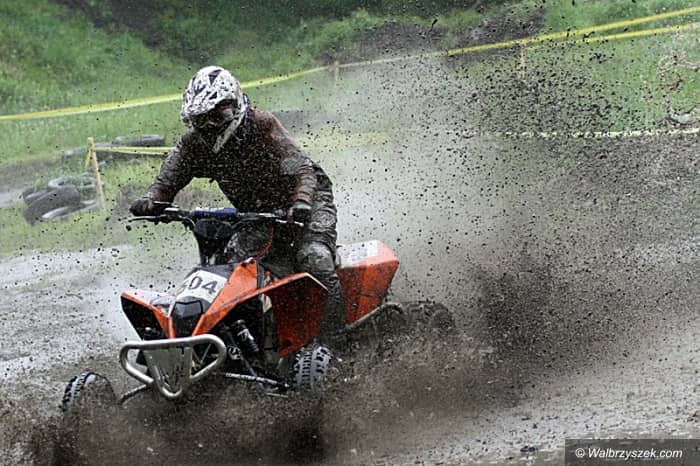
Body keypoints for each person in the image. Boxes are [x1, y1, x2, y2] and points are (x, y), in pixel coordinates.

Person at [130, 65, 345, 345]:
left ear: (233, 106)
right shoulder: (193, 143)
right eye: (201, 119)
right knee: (227, 269)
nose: (209, 126)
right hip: (257, 214)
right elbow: (168, 179)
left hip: (309, 199)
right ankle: (229, 345)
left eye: (215, 116)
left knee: (315, 258)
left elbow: (303, 169)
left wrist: (301, 202)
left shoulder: (262, 124)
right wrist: (152, 200)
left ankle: (337, 341)